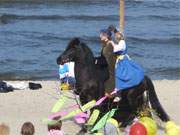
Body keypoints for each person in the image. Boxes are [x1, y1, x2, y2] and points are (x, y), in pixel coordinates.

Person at [107, 25, 144, 102]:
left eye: (117, 35)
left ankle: (119, 95)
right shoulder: (119, 42)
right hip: (119, 60)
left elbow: (115, 49)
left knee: (118, 74)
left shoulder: (122, 42)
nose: (116, 36)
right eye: (116, 35)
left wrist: (111, 42)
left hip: (123, 61)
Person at [95, 29, 117, 94]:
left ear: (106, 36)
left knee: (100, 77)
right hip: (105, 66)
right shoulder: (105, 45)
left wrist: (97, 62)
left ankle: (102, 93)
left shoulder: (109, 46)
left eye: (102, 35)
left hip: (110, 69)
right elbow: (103, 57)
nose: (100, 36)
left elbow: (108, 61)